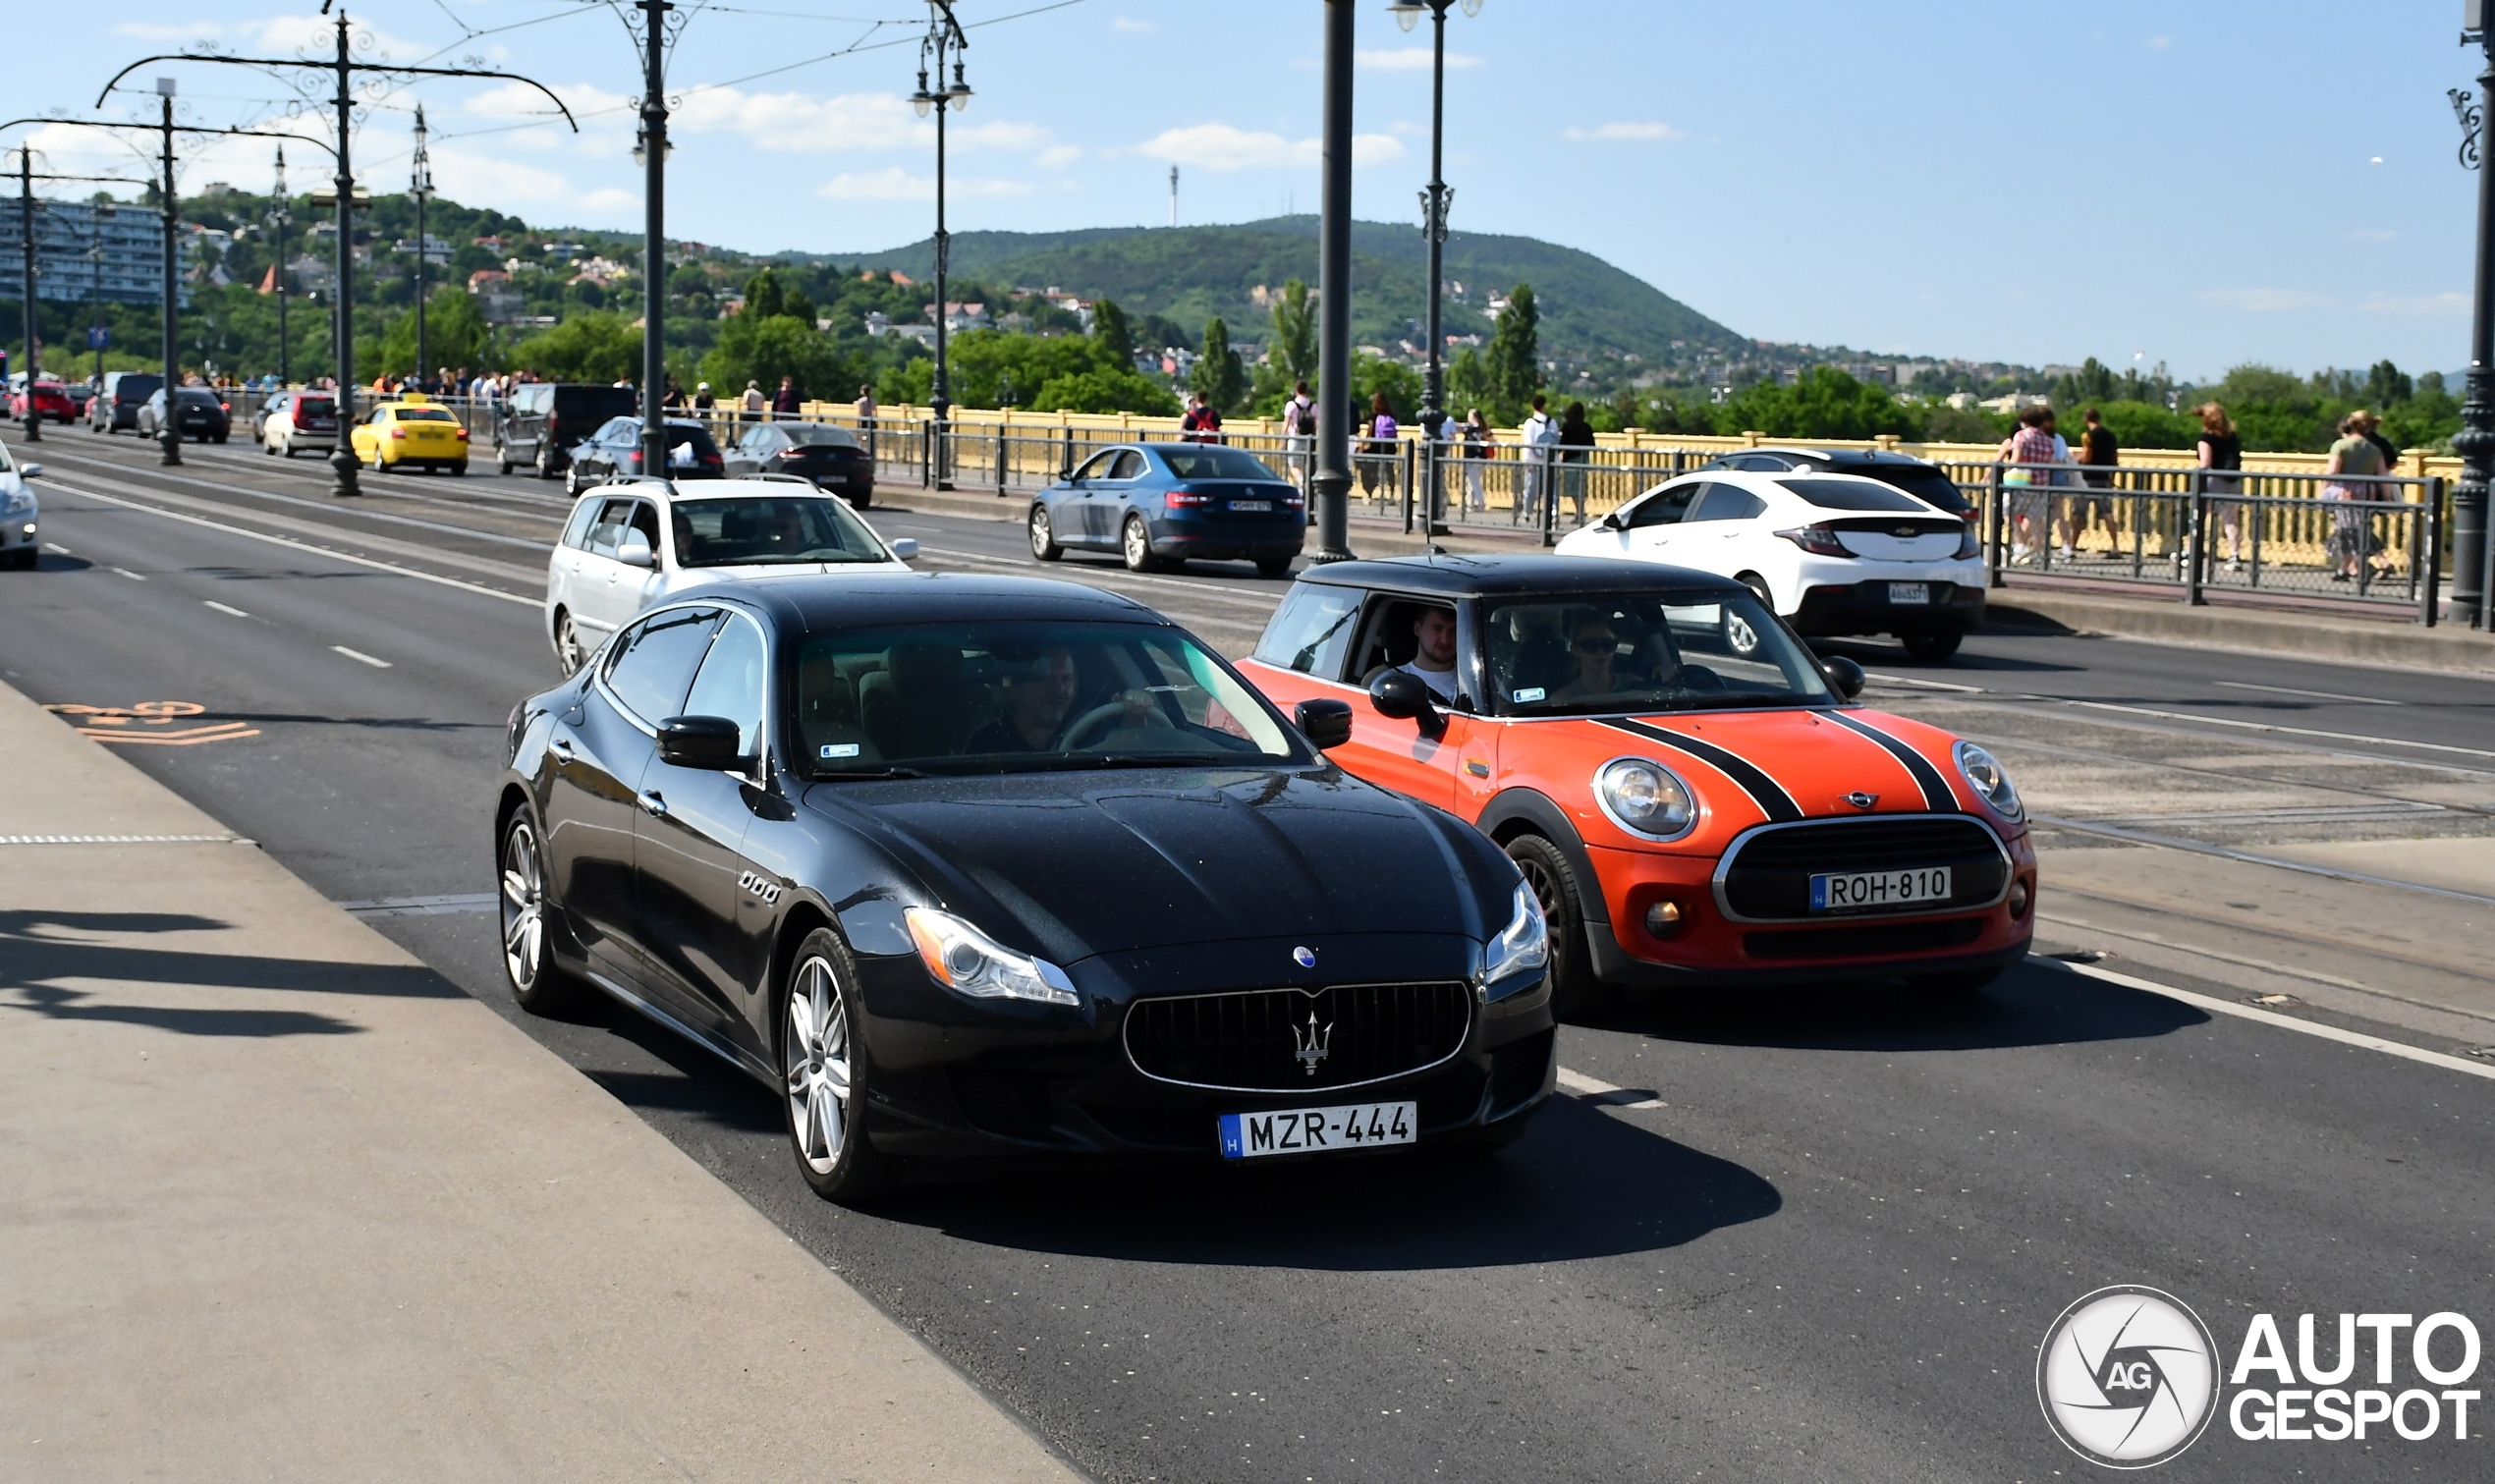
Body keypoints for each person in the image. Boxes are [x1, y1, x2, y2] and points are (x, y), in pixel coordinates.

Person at [966, 647, 1079, 753]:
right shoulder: (986, 744)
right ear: (1017, 686)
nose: (1059, 690)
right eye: (1046, 678)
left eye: (1066, 679)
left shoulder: (1086, 736)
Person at [2322, 411, 2386, 582]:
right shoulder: (2374, 449)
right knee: (2358, 528)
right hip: (2367, 492)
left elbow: (2332, 471)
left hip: (2345, 492)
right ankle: (2345, 569)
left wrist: (2324, 491)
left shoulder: (2341, 445)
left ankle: (2365, 566)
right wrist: (2387, 498)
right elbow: (2382, 476)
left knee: (2347, 530)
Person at [1997, 406, 2057, 564]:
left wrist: (2004, 469)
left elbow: (2015, 459)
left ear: (2025, 422)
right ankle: (2036, 552)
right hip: (2042, 483)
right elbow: (2051, 461)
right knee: (2035, 518)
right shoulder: (2048, 439)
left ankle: (2020, 544)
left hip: (2022, 481)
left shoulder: (2021, 436)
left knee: (2008, 511)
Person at [2194, 403, 2245, 571]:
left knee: (2199, 515)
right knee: (2231, 520)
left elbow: (2205, 463)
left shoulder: (2205, 439)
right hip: (2233, 479)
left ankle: (2193, 550)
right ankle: (2234, 555)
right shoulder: (2232, 437)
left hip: (2214, 480)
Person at [2068, 407, 2123, 557]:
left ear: (2086, 419)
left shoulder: (2088, 436)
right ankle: (2116, 546)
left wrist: (2074, 459)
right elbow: (2115, 458)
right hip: (2104, 477)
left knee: (2078, 513)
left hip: (2087, 478)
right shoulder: (2111, 436)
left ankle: (2072, 546)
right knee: (2107, 512)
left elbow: (2086, 457)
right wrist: (2112, 477)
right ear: (2099, 418)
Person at [1551, 610, 1639, 703]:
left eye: (1608, 644)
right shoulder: (1563, 699)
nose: (1600, 651)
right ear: (1575, 650)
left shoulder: (1635, 686)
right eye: (1590, 645)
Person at [1391, 606, 1460, 703]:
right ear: (1418, 629)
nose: (1445, 639)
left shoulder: (1476, 683)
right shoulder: (1393, 682)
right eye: (1437, 629)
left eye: (1453, 631)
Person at [1518, 394, 1557, 526]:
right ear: (1544, 405)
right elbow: (1555, 439)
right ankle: (1552, 513)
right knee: (1550, 488)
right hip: (1549, 460)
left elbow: (1528, 442)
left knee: (1530, 488)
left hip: (1532, 460)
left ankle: (1527, 512)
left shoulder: (1530, 423)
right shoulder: (1552, 422)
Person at [1558, 400, 1595, 524]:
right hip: (1584, 459)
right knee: (1581, 486)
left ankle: (1579, 512)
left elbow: (1562, 444)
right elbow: (1592, 445)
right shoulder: (1587, 427)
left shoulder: (1567, 427)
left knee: (1572, 488)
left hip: (1571, 460)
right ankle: (1580, 512)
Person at [1361, 391, 1399, 502]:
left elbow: (1370, 431)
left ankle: (1369, 494)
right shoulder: (1392, 415)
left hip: (1376, 447)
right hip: (1390, 447)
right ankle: (1391, 494)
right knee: (1389, 470)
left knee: (1370, 469)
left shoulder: (1373, 415)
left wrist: (1363, 446)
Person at [1281, 378, 1315, 484]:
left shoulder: (1291, 405)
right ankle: (1306, 486)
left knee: (1294, 465)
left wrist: (1282, 441)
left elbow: (1286, 424)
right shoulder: (1313, 406)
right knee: (1307, 464)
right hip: (1309, 439)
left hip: (1295, 437)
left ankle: (1302, 484)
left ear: (1296, 390)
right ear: (1307, 391)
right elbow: (1317, 424)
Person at [1461, 408, 1492, 516]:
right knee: (1473, 481)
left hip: (1472, 457)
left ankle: (1481, 503)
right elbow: (1492, 439)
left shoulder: (1469, 428)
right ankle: (1470, 503)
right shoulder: (1484, 427)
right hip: (1482, 457)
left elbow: (1460, 427)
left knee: (1474, 482)